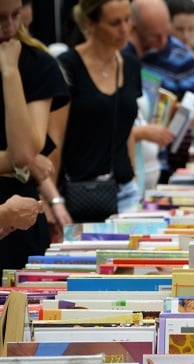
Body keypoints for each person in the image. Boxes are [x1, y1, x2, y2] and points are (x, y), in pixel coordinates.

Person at [125, 0, 194, 184]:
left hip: (157, 160)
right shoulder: (120, 53)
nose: (163, 42)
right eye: (178, 30)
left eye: (192, 29)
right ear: (134, 29)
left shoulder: (179, 54)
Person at [51, 0, 143, 220]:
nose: (124, 30)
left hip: (125, 191)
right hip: (79, 193)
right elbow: (54, 140)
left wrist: (134, 177)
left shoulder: (130, 65)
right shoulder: (67, 66)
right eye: (114, 23)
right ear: (90, 23)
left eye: (128, 19)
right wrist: (51, 199)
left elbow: (125, 128)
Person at [0, 0, 70, 274]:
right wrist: (20, 163)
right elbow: (25, 159)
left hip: (20, 218)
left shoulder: (37, 63)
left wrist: (9, 72)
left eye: (15, 15)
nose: (9, 26)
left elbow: (24, 151)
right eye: (0, 17)